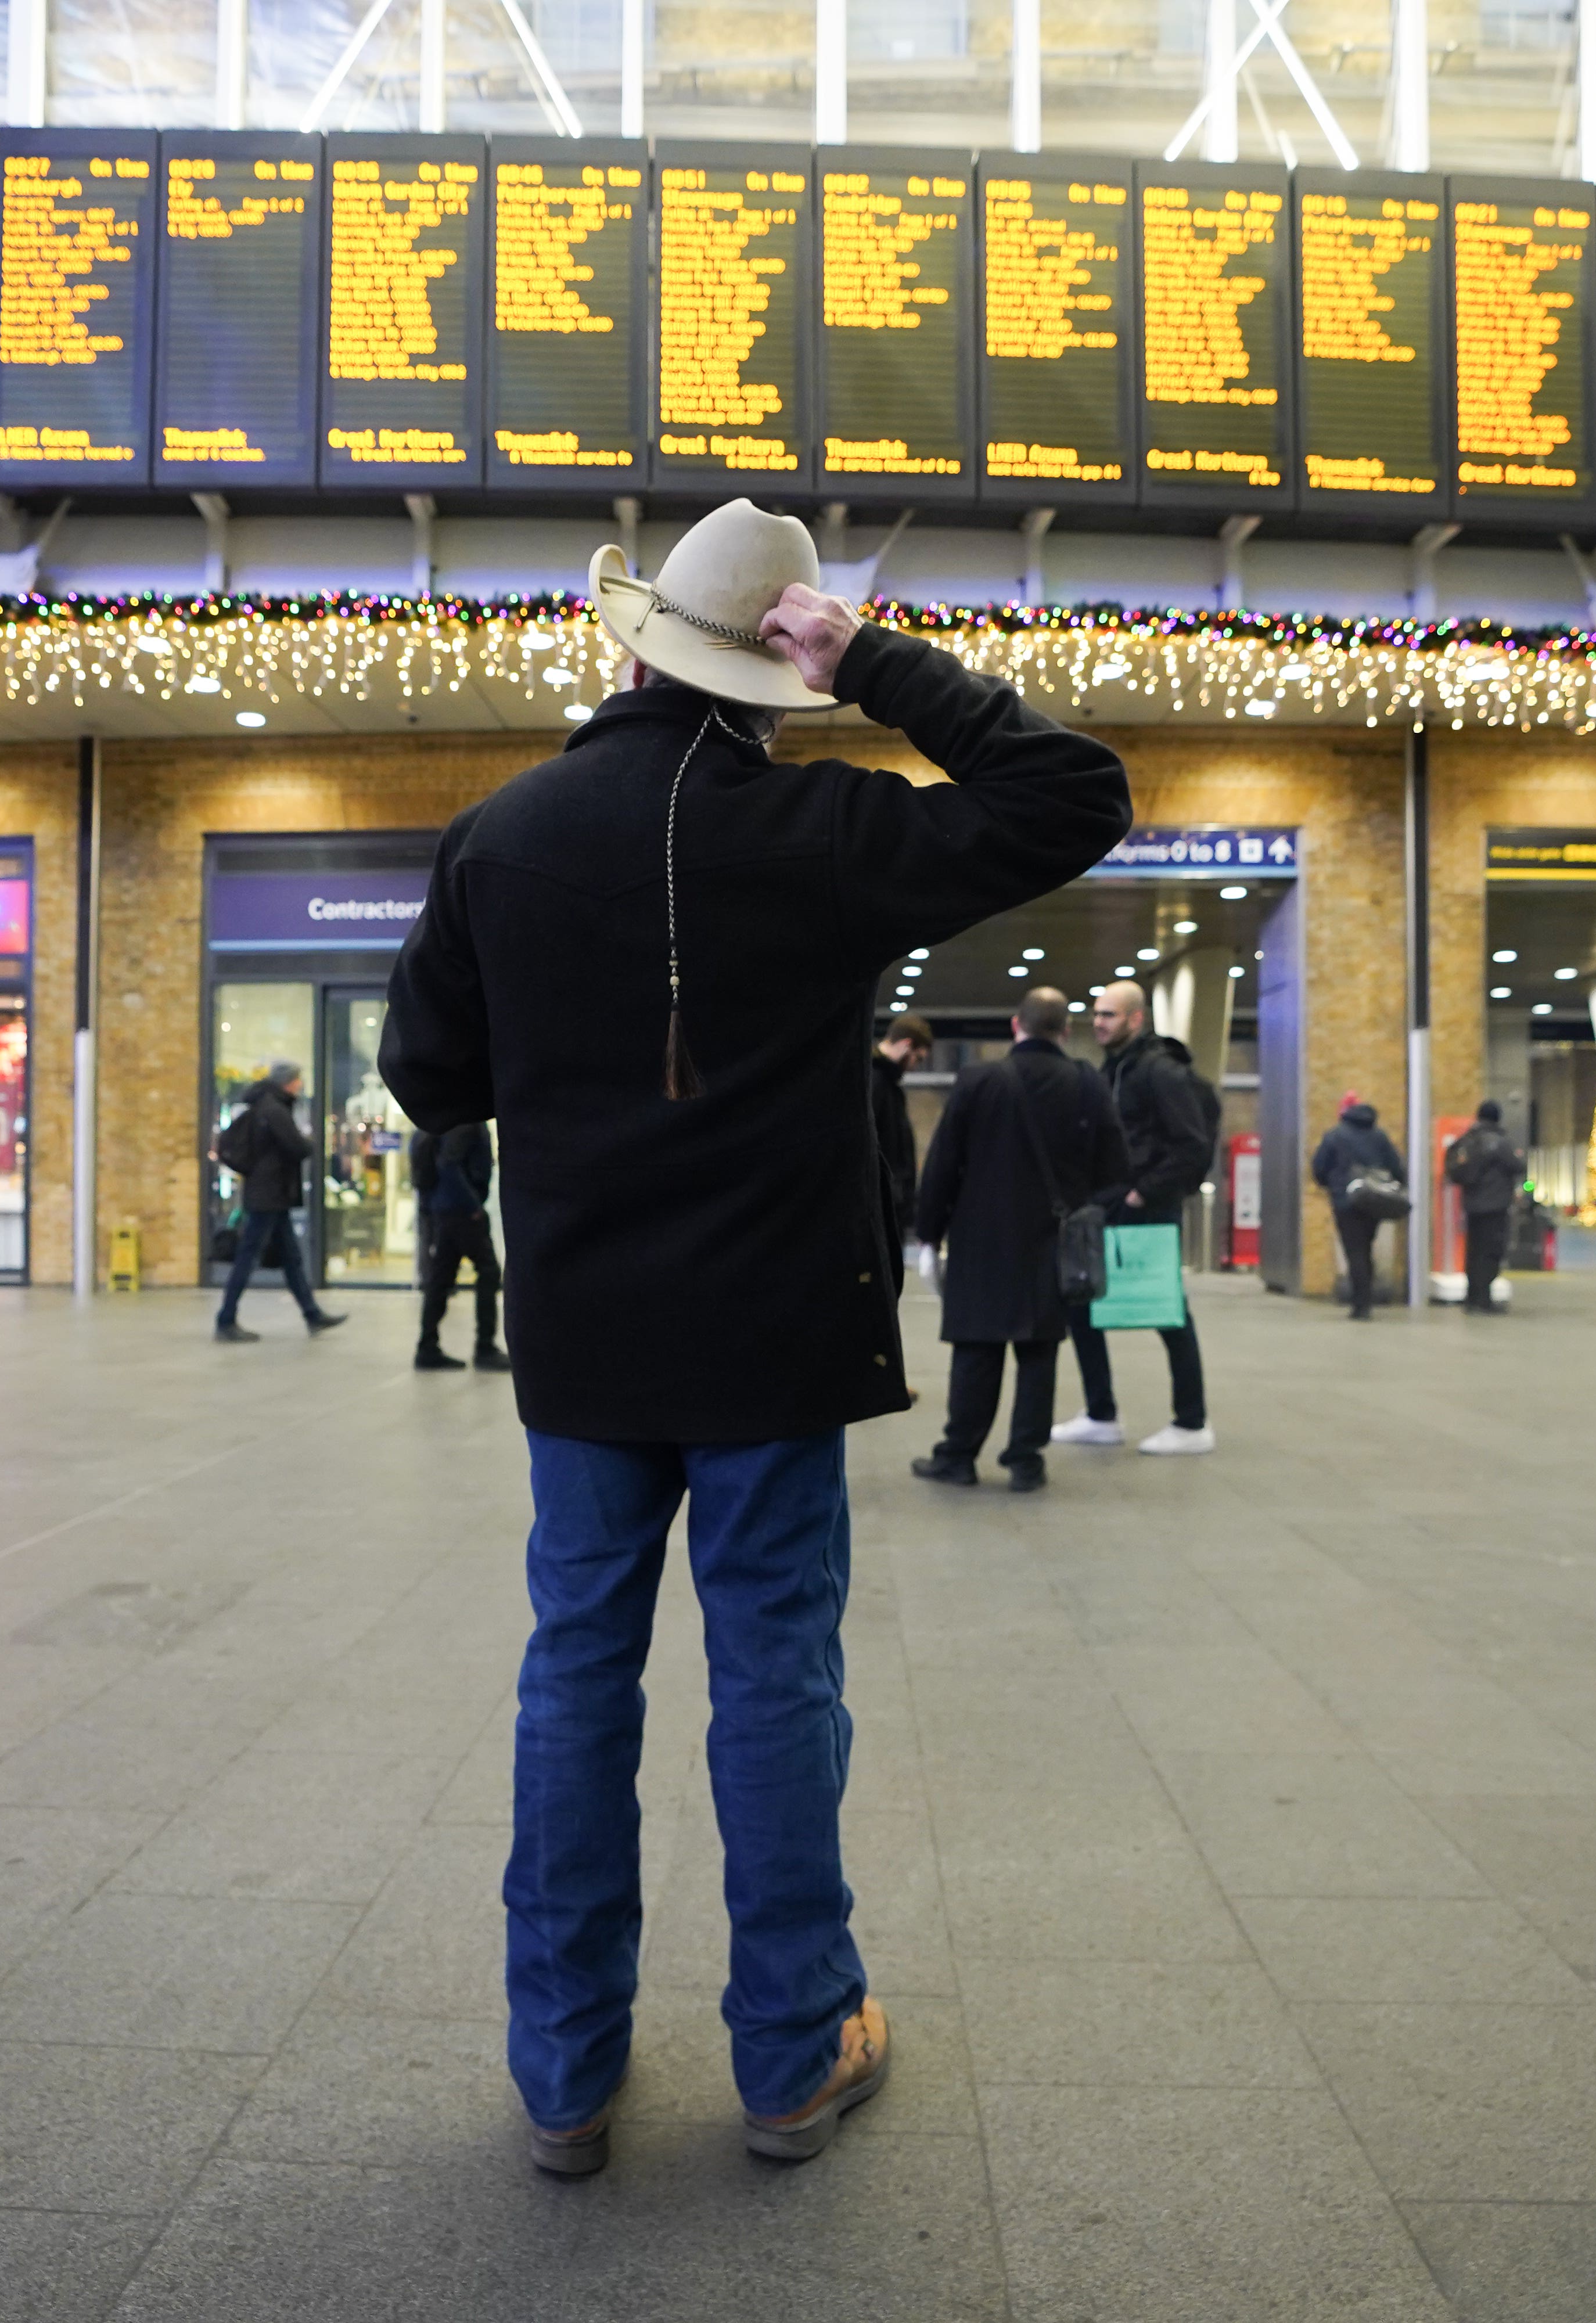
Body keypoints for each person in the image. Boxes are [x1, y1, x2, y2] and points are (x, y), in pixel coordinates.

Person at [379, 497, 1130, 2178]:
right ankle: (793, 2058)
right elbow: (1073, 793)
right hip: (777, 1344)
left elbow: (429, 1081)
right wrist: (875, 662)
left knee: (575, 1673)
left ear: (633, 648)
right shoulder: (829, 836)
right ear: (769, 670)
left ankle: (565, 2076)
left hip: (584, 1349)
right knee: (775, 1674)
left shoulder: (498, 837)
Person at [911, 987, 1130, 1492]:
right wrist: (1079, 1206)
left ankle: (958, 1456)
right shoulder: (1086, 1083)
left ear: (1016, 1026)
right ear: (1065, 1031)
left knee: (976, 1351)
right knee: (1039, 1352)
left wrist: (929, 1235)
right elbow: (1115, 1168)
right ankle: (1025, 1460)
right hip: (1051, 1242)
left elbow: (943, 1164)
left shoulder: (979, 1080)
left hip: (980, 1241)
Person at [1055, 981, 1217, 1454]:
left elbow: (1192, 1146)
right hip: (1111, 1205)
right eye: (1097, 1015)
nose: (1100, 1023)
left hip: (1146, 1209)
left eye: (1109, 1015)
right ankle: (1101, 1414)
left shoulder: (1159, 1072)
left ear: (1135, 1019)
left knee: (1167, 1310)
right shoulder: (1118, 1069)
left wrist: (1143, 1193)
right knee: (1083, 1303)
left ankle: (1192, 1423)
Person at [213, 1061, 345, 1342]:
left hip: (272, 1194)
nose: (301, 1085)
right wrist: (311, 1141)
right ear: (289, 1082)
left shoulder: (265, 1104)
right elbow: (297, 1146)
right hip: (269, 1195)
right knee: (248, 1257)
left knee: (291, 1258)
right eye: (298, 1081)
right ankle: (226, 1319)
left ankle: (312, 1315)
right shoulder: (274, 1108)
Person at [408, 1118, 508, 1373]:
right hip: (461, 1212)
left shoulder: (448, 1118)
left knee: (441, 1278)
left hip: (445, 1209)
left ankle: (427, 1346)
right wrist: (473, 1205)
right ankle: (485, 1347)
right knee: (489, 1271)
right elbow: (448, 1164)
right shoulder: (465, 1122)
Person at [1312, 1096, 1404, 1319]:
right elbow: (1397, 1168)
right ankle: (1365, 1299)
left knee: (1355, 1252)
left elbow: (1319, 1168)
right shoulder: (1379, 1137)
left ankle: (1361, 1305)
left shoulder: (1335, 1136)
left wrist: (1334, 1186)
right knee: (1366, 1248)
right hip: (1373, 1201)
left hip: (1346, 1202)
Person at [1444, 1098, 1524, 1314]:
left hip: (1472, 1206)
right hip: (1496, 1207)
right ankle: (1484, 1300)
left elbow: (1455, 1169)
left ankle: (1472, 1299)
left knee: (1474, 1253)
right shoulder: (1500, 1142)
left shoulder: (1466, 1141)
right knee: (1491, 1253)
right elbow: (1518, 1166)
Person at [870, 1012, 932, 1257]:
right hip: (883, 1207)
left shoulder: (885, 1083)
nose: (915, 1065)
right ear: (906, 1045)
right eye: (917, 1058)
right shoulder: (877, 1082)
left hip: (887, 1204)